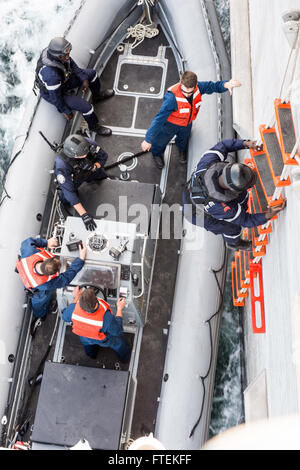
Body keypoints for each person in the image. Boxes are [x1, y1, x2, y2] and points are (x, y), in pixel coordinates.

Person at [183, 138, 286, 251]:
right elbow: (245, 220)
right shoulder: (224, 208)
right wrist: (267, 215)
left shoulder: (208, 162)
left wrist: (246, 144)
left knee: (242, 198)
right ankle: (234, 244)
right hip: (196, 214)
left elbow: (223, 145)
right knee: (232, 227)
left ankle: (241, 206)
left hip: (191, 191)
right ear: (232, 189)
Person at [141, 71, 241, 168]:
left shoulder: (198, 87)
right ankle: (157, 153)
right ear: (181, 83)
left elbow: (212, 86)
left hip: (187, 124)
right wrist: (148, 139)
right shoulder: (171, 99)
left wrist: (226, 84)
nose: (187, 95)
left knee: (183, 139)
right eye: (184, 91)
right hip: (170, 125)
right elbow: (159, 119)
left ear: (195, 86)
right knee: (160, 141)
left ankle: (181, 149)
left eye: (190, 92)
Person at [35, 37, 114, 136]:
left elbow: (71, 64)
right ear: (58, 56)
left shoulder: (61, 56)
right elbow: (56, 97)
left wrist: (83, 78)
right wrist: (65, 110)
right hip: (57, 92)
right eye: (65, 56)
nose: (68, 57)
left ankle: (97, 97)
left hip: (63, 81)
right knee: (87, 108)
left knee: (92, 74)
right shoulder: (51, 75)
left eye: (68, 54)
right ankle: (94, 127)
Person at [16, 237, 87, 318]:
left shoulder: (29, 251)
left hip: (28, 279)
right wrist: (81, 259)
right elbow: (66, 278)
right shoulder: (47, 284)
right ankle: (40, 315)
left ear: (44, 260)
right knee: (40, 302)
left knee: (40, 300)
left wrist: (46, 243)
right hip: (38, 292)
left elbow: (26, 241)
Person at [62, 287, 131, 363]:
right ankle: (125, 359)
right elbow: (117, 330)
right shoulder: (106, 318)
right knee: (119, 343)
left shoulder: (73, 309)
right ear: (96, 301)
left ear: (80, 302)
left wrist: (76, 297)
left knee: (88, 346)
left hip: (85, 337)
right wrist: (119, 309)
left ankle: (92, 355)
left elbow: (65, 317)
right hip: (103, 339)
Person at [55, 133, 108, 231]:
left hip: (91, 171)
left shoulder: (88, 143)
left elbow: (103, 157)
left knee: (102, 177)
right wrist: (84, 215)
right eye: (83, 154)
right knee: (65, 196)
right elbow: (69, 191)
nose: (86, 154)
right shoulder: (62, 165)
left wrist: (94, 167)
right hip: (75, 179)